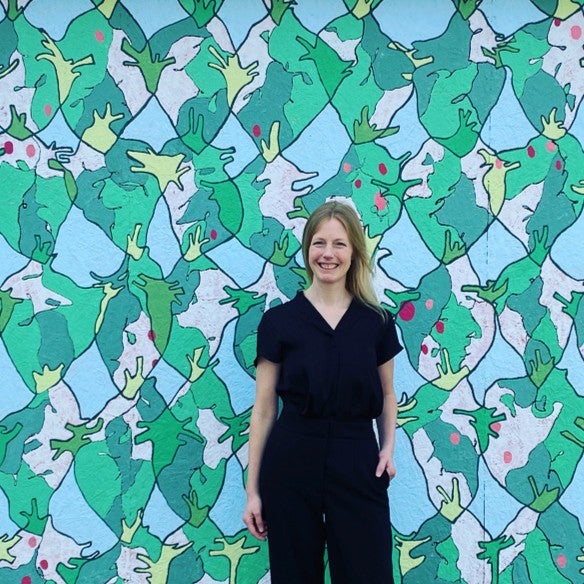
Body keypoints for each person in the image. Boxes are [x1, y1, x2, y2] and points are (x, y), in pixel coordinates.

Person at [242, 200, 403, 584]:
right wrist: (252, 491)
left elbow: (387, 395)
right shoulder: (278, 323)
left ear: (354, 253)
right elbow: (264, 410)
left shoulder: (377, 323)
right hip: (293, 458)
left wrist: (387, 448)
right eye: (319, 243)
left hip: (358, 458)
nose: (328, 254)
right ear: (307, 249)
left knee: (368, 573)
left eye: (339, 244)